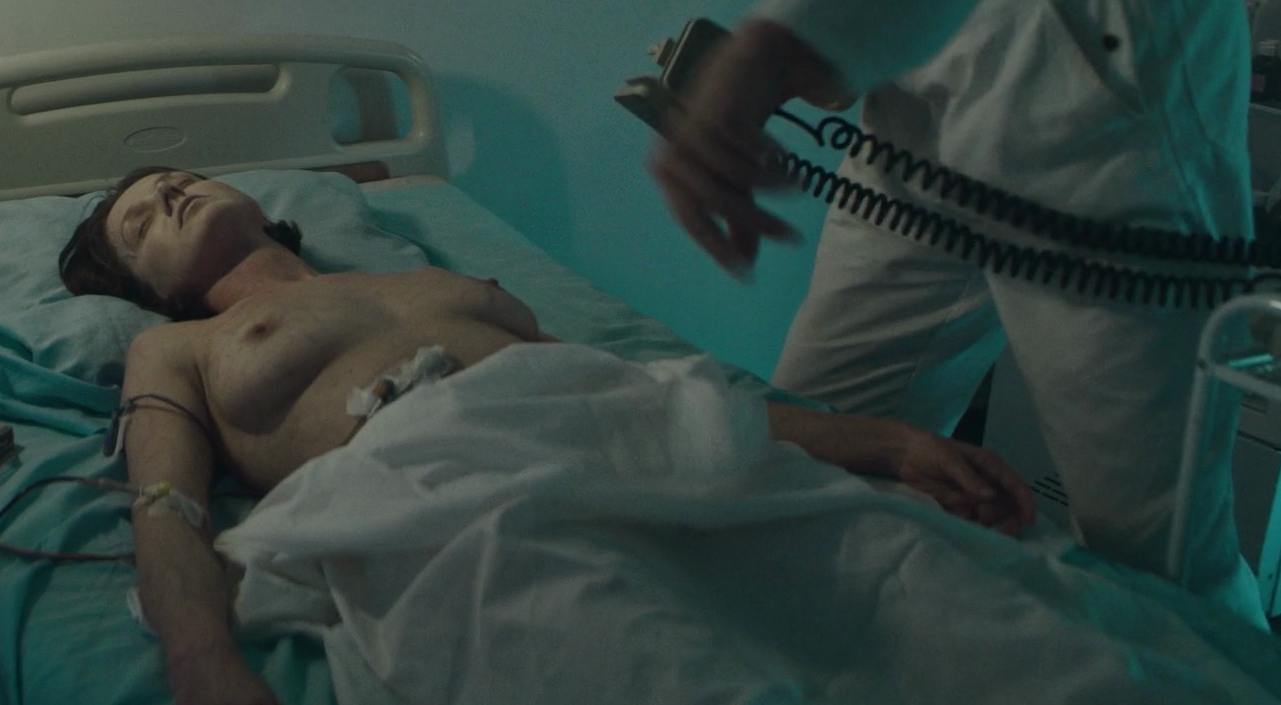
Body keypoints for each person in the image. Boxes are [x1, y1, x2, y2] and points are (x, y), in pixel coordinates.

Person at [60, 167, 1034, 703]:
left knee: (941, 609)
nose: (168, 198)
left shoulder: (428, 279)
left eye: (176, 180)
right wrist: (205, 664)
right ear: (151, 290)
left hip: (616, 435)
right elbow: (165, 506)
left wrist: (882, 443)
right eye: (141, 225)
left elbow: (644, 394)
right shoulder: (180, 347)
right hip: (461, 502)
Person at [646, 0, 1267, 625]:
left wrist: (780, 46)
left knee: (1156, 557)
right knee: (821, 455)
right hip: (920, 82)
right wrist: (826, 31)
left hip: (1094, 41)